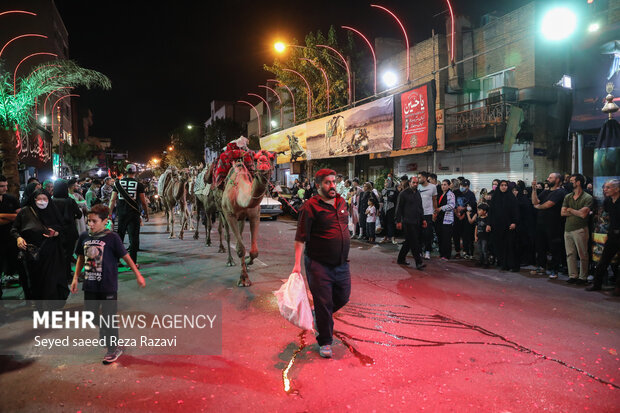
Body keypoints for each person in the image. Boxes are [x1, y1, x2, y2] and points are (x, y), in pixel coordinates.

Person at [71, 204, 146, 364]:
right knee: (90, 316)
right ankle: (106, 331)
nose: (90, 224)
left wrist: (137, 274)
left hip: (108, 285)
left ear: (105, 221)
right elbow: (80, 258)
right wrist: (75, 278)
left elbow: (126, 257)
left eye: (94, 221)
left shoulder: (112, 238)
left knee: (108, 318)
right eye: (88, 220)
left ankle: (113, 348)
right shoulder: (84, 236)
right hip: (90, 284)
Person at [292, 169, 351, 358]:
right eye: (327, 182)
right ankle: (325, 341)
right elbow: (300, 238)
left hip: (341, 263)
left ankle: (319, 314)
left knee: (343, 297)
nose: (332, 185)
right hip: (318, 264)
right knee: (324, 301)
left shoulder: (341, 202)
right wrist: (297, 265)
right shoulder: (310, 207)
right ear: (318, 185)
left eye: (333, 181)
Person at [11, 189, 69, 302]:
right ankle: (39, 308)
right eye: (39, 199)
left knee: (51, 281)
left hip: (52, 253)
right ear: (34, 200)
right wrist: (19, 238)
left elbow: (62, 228)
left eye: (45, 199)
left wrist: (55, 233)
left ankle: (51, 309)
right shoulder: (25, 212)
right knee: (36, 281)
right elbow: (14, 229)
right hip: (33, 254)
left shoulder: (52, 210)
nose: (42, 202)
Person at [109, 164, 149, 266]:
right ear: (135, 172)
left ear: (126, 172)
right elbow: (144, 202)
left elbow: (112, 200)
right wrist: (146, 213)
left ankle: (116, 260)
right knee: (133, 238)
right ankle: (132, 263)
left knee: (119, 237)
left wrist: (109, 214)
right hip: (134, 214)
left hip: (121, 214)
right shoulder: (139, 184)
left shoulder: (118, 183)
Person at [531, 173, 567, 279]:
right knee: (540, 246)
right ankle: (542, 266)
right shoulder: (546, 191)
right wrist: (533, 189)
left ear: (557, 180)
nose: (548, 179)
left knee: (554, 248)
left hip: (554, 224)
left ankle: (554, 270)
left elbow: (549, 204)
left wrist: (538, 207)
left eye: (550, 177)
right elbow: (535, 201)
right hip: (541, 223)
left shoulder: (561, 192)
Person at [586, 179, 620, 295]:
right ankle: (597, 284)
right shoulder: (608, 201)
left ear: (617, 189)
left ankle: (618, 289)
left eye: (608, 187)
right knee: (603, 260)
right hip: (612, 235)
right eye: (605, 187)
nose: (605, 190)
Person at [561, 174, 593, 285]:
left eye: (572, 181)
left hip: (581, 229)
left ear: (578, 182)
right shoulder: (568, 196)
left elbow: (583, 215)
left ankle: (583, 277)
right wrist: (576, 212)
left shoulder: (587, 197)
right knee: (570, 254)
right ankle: (573, 275)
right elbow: (562, 212)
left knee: (583, 254)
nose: (570, 183)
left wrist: (570, 209)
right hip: (568, 229)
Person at [52, 179, 83, 282]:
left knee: (59, 254)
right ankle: (67, 275)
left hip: (56, 232)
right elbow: (79, 214)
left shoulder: (51, 201)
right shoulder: (70, 200)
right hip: (70, 231)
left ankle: (60, 275)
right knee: (68, 254)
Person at [395, 176, 427, 269]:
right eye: (414, 183)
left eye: (417, 183)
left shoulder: (417, 193)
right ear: (410, 183)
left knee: (409, 241)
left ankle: (400, 259)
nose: (415, 184)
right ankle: (418, 262)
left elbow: (420, 207)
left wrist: (423, 219)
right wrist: (398, 221)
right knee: (414, 242)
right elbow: (399, 208)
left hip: (416, 221)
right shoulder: (403, 194)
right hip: (407, 221)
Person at [488, 180, 520, 271]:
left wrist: (514, 222)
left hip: (509, 226)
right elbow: (491, 212)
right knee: (499, 245)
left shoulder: (511, 198)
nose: (503, 187)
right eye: (501, 185)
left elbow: (516, 211)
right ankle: (504, 264)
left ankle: (512, 265)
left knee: (510, 246)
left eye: (505, 185)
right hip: (498, 226)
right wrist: (489, 224)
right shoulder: (495, 197)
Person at [0, 175, 20, 298]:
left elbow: (18, 216)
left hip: (11, 237)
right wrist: (10, 216)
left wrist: (2, 216)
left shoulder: (11, 199)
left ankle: (9, 276)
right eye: (2, 186)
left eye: (6, 185)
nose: (5, 188)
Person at [453, 179, 477, 259]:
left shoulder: (471, 195)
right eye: (461, 185)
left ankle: (467, 251)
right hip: (456, 216)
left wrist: (464, 209)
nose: (462, 187)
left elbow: (473, 206)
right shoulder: (456, 193)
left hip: (466, 217)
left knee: (466, 235)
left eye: (464, 186)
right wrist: (457, 212)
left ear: (468, 187)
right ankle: (458, 252)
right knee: (456, 234)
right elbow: (452, 203)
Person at [418, 172, 437, 260]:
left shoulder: (433, 187)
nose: (418, 179)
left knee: (427, 234)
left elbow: (434, 200)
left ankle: (427, 251)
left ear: (425, 178)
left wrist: (435, 212)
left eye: (420, 177)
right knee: (419, 233)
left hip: (428, 213)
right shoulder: (418, 186)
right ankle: (419, 251)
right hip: (418, 214)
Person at [434, 179, 456, 260]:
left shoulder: (450, 194)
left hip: (447, 219)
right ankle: (441, 253)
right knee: (440, 237)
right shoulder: (441, 194)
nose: (443, 186)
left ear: (449, 185)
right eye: (442, 184)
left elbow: (452, 205)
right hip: (440, 219)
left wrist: (441, 208)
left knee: (446, 238)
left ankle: (446, 255)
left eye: (445, 184)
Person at [380, 178, 398, 244]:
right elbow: (381, 200)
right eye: (385, 183)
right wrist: (379, 210)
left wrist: (385, 198)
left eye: (386, 182)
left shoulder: (394, 191)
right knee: (384, 223)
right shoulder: (383, 190)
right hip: (383, 209)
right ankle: (385, 237)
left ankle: (393, 238)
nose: (385, 184)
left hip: (391, 209)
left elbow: (392, 199)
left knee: (391, 223)